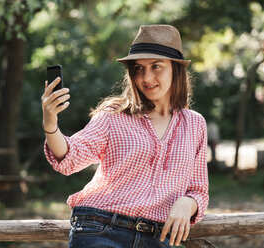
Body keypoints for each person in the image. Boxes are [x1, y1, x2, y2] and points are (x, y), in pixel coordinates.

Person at [41, 25, 209, 248]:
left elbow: (199, 190)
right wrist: (50, 124)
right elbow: (70, 158)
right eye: (138, 68)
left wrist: (187, 203)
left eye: (156, 66)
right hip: (101, 229)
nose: (146, 77)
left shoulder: (194, 124)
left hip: (158, 238)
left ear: (175, 69)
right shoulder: (113, 116)